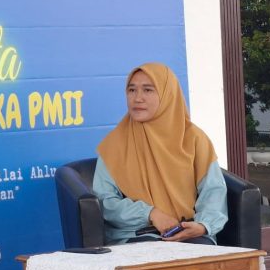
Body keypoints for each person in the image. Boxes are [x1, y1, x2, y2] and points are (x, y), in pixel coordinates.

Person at [92, 62, 228, 245]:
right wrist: (150, 214)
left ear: (167, 94)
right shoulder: (114, 144)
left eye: (148, 90)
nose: (137, 98)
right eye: (132, 90)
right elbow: (105, 201)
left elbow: (213, 190)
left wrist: (203, 225)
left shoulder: (194, 138)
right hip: (137, 235)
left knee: (202, 257)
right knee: (157, 258)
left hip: (189, 232)